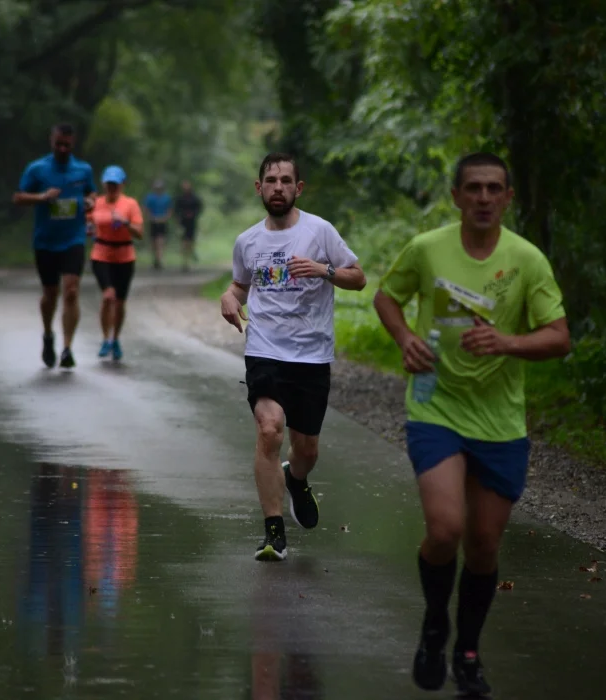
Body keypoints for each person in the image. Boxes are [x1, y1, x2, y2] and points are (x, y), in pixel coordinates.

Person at [373, 152, 570, 696]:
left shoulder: (526, 260)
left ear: (508, 198)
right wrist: (405, 338)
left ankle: (468, 651)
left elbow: (559, 336)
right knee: (445, 530)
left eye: (494, 189)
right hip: (435, 405)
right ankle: (436, 623)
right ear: (456, 196)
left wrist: (507, 341)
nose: (483, 198)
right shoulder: (427, 249)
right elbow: (387, 297)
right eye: (474, 189)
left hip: (500, 419)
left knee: (483, 545)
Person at [220, 152, 367, 562]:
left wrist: (324, 271)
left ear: (298, 188)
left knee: (307, 450)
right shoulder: (248, 241)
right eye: (271, 180)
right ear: (259, 187)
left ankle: (296, 478)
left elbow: (358, 277)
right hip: (265, 349)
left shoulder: (320, 232)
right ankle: (273, 533)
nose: (278, 187)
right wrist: (228, 298)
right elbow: (239, 285)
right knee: (270, 430)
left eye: (286, 180)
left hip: (311, 354)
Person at [12, 123, 96, 369]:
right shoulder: (37, 169)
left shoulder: (83, 169)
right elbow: (17, 197)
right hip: (45, 241)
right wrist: (41, 197)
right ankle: (48, 335)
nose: (62, 148)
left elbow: (92, 194)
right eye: (58, 143)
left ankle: (67, 348)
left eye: (67, 145)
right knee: (50, 294)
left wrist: (90, 201)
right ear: (52, 141)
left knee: (71, 290)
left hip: (74, 239)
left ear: (73, 143)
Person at [87, 165, 143, 361]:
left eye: (115, 185)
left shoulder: (130, 204)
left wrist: (125, 223)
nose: (112, 188)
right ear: (104, 184)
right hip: (101, 254)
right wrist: (88, 228)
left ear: (122, 185)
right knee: (108, 296)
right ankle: (105, 338)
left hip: (125, 256)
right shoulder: (96, 203)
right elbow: (87, 224)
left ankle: (116, 338)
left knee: (119, 302)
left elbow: (140, 233)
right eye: (109, 184)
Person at [143, 179, 173, 270]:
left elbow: (169, 210)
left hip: (162, 222)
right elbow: (146, 209)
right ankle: (155, 258)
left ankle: (159, 260)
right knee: (153, 242)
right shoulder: (150, 197)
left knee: (160, 241)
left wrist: (165, 218)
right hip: (153, 222)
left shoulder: (167, 198)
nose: (158, 189)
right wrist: (151, 217)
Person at [174, 180, 203, 271]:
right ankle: (184, 261)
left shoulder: (194, 198)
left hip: (192, 222)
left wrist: (193, 214)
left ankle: (189, 259)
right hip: (183, 222)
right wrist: (178, 218)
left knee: (190, 241)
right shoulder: (180, 198)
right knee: (184, 242)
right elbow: (176, 210)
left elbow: (199, 208)